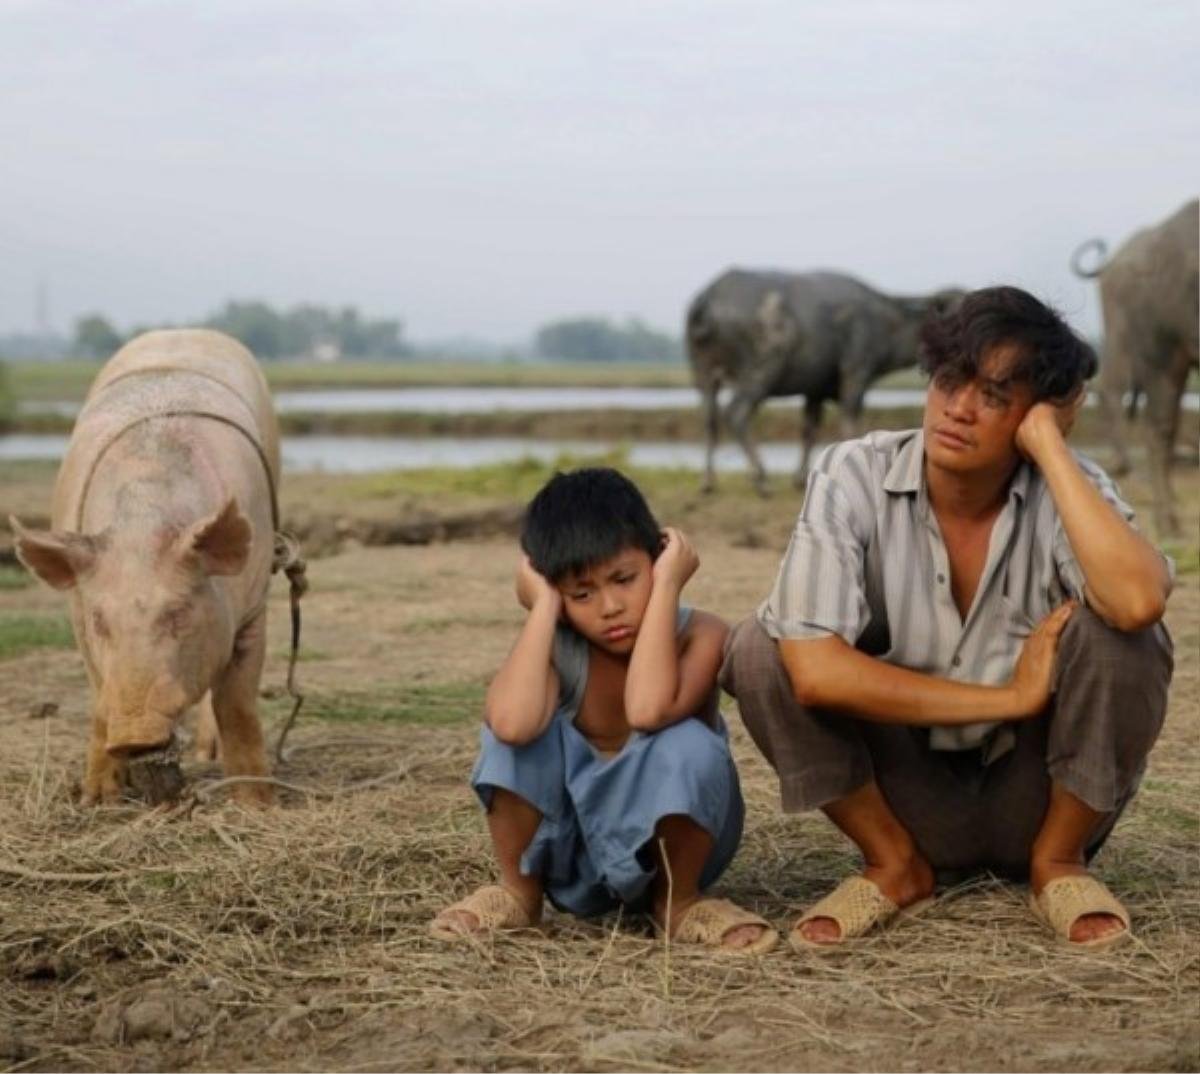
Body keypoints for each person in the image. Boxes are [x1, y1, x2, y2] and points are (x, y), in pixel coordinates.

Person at [721, 286, 1173, 952]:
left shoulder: (1067, 483)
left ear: (1037, 415)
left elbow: (1139, 602)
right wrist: (1008, 697)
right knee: (762, 646)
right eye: (949, 380)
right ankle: (893, 864)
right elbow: (813, 672)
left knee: (1122, 637)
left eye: (994, 395)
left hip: (1038, 793)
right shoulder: (855, 473)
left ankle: (1059, 864)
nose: (959, 409)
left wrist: (1049, 449)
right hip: (907, 797)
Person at [432, 467, 778, 953]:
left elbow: (648, 709)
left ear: (659, 560)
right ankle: (519, 892)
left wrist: (667, 590)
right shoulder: (559, 644)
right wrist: (543, 611)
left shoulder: (702, 635)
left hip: (666, 856)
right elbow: (511, 723)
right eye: (582, 593)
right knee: (510, 732)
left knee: (690, 743)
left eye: (625, 579)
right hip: (570, 855)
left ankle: (678, 903)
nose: (610, 606)